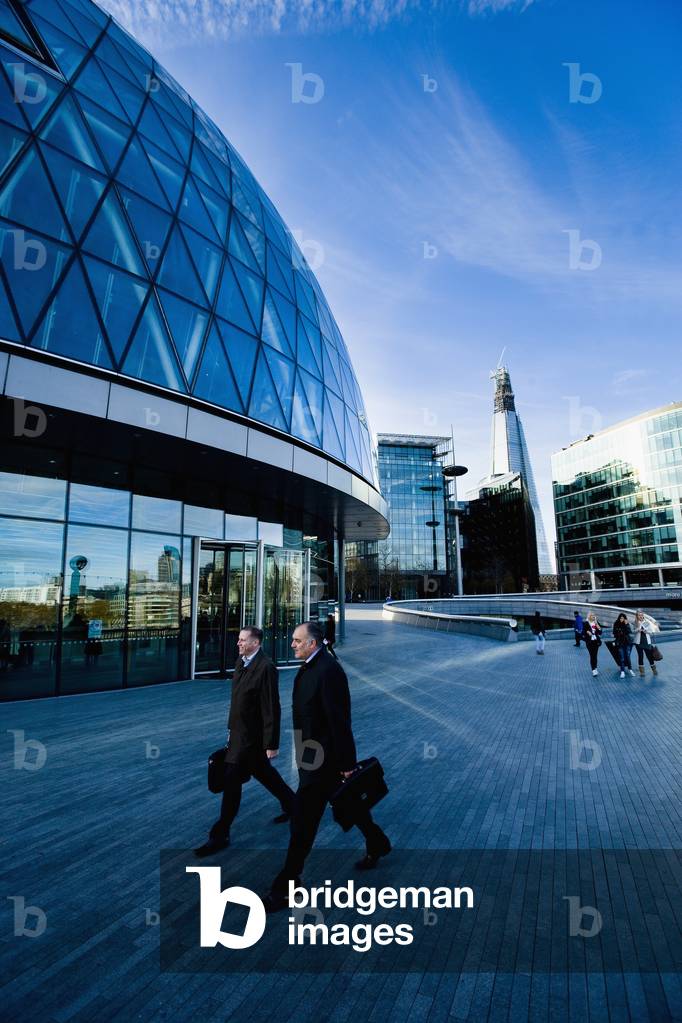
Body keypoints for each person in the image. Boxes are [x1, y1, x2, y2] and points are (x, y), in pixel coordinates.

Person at [263, 621, 390, 912]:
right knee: (349, 806)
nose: (292, 644)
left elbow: (339, 721)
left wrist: (346, 764)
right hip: (311, 757)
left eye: (297, 640)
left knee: (303, 823)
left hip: (324, 761)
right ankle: (378, 842)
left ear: (313, 643)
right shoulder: (311, 666)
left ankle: (286, 886)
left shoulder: (328, 671)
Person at [194, 626, 295, 857]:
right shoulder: (242, 662)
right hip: (239, 735)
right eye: (238, 640)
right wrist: (231, 730)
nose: (238, 643)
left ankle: (220, 834)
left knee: (231, 783)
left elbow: (271, 707)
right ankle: (293, 805)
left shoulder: (266, 668)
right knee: (265, 775)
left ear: (256, 643)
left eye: (242, 640)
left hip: (252, 739)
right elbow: (238, 701)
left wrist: (272, 743)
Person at [633, 610, 659, 677]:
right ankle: (642, 672)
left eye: (641, 615)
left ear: (643, 615)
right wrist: (638, 629)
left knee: (649, 656)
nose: (640, 616)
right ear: (637, 616)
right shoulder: (635, 622)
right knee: (640, 656)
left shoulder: (647, 622)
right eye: (639, 615)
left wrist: (646, 631)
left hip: (646, 642)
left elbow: (651, 631)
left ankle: (654, 670)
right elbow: (633, 631)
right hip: (638, 642)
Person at [612, 613, 635, 679]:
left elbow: (629, 632)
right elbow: (614, 633)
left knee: (627, 656)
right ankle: (622, 671)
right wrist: (619, 632)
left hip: (627, 642)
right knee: (622, 658)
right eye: (621, 618)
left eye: (623, 618)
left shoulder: (627, 624)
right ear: (619, 618)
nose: (622, 619)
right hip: (620, 643)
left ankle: (630, 669)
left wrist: (626, 624)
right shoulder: (616, 623)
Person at [582, 611, 602, 676]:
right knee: (592, 655)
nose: (593, 616)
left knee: (595, 655)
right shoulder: (586, 623)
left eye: (594, 615)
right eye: (592, 615)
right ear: (589, 616)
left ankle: (595, 668)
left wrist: (597, 625)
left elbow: (600, 632)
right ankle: (593, 670)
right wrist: (587, 632)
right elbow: (583, 632)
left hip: (596, 641)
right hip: (589, 642)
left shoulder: (596, 623)